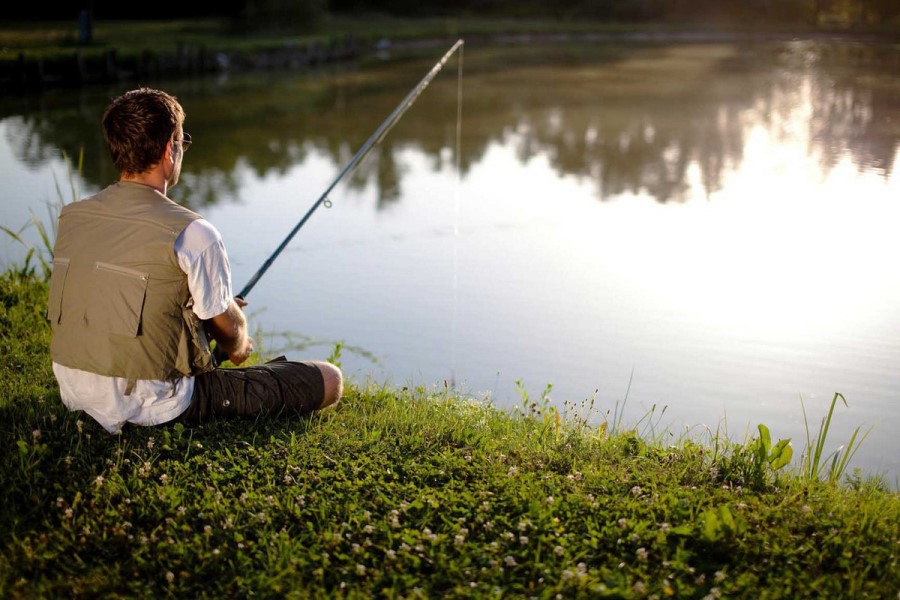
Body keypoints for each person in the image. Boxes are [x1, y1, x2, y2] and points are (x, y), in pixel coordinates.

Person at [47, 88, 342, 433]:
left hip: (74, 390)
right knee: (328, 379)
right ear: (169, 152)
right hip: (154, 406)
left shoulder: (74, 217)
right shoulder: (193, 232)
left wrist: (219, 309)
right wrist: (239, 340)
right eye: (181, 143)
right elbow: (230, 333)